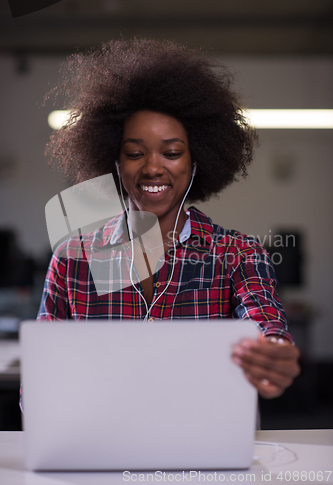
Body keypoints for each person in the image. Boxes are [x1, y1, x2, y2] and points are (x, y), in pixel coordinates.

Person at [39, 39, 300, 399]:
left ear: (197, 161)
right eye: (134, 153)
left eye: (172, 152)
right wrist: (43, 399)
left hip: (205, 446)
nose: (153, 167)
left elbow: (264, 318)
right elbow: (42, 373)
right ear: (114, 161)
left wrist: (272, 350)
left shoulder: (237, 253)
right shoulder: (73, 259)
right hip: (101, 447)